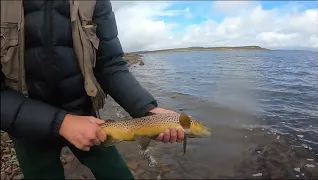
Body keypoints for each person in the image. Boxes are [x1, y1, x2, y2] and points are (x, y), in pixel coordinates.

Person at [0, 0, 184, 179]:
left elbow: (111, 64)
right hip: (27, 127)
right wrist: (62, 123)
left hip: (87, 120)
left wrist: (146, 109)